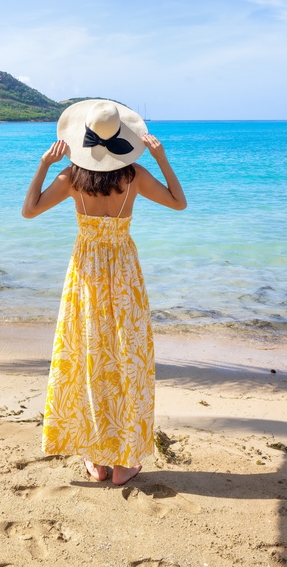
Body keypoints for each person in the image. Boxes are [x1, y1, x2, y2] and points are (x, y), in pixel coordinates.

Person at [22, 99, 187, 486]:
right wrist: (162, 159)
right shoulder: (135, 177)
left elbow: (29, 211)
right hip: (124, 277)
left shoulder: (70, 179)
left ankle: (97, 459)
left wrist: (44, 164)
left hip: (85, 276)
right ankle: (125, 461)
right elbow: (179, 203)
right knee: (128, 363)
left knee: (89, 359)